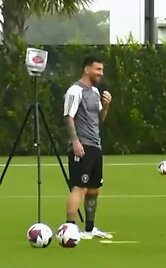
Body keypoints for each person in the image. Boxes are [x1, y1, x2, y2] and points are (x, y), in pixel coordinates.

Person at [63, 56, 113, 239]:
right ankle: (70, 229)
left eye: (102, 70)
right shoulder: (75, 91)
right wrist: (75, 141)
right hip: (82, 146)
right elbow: (68, 117)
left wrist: (106, 107)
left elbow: (99, 120)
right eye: (98, 69)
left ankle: (90, 230)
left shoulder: (95, 92)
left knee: (93, 189)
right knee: (79, 187)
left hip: (95, 145)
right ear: (87, 69)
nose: (101, 73)